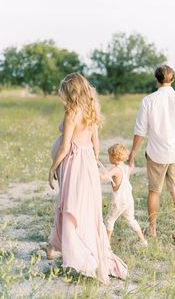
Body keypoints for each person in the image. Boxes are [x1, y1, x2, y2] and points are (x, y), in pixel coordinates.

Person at [47, 73, 127, 285]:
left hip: (74, 164)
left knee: (72, 204)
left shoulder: (72, 112)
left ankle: (79, 257)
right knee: (86, 207)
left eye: (64, 90)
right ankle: (78, 251)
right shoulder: (91, 110)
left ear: (70, 91)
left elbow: (65, 146)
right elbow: (96, 143)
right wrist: (92, 162)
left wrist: (52, 167)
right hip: (87, 161)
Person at [129, 65, 175, 245]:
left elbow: (140, 131)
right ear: (172, 79)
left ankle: (152, 230)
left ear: (156, 79)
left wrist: (132, 153)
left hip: (156, 153)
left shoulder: (148, 101)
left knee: (154, 191)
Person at [100, 144, 148, 246]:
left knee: (110, 219)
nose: (108, 158)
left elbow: (104, 177)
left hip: (119, 201)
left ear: (114, 157)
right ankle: (143, 241)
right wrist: (131, 165)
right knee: (131, 219)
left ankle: (106, 244)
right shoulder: (125, 168)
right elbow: (129, 171)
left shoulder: (116, 169)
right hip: (128, 200)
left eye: (109, 156)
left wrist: (94, 173)